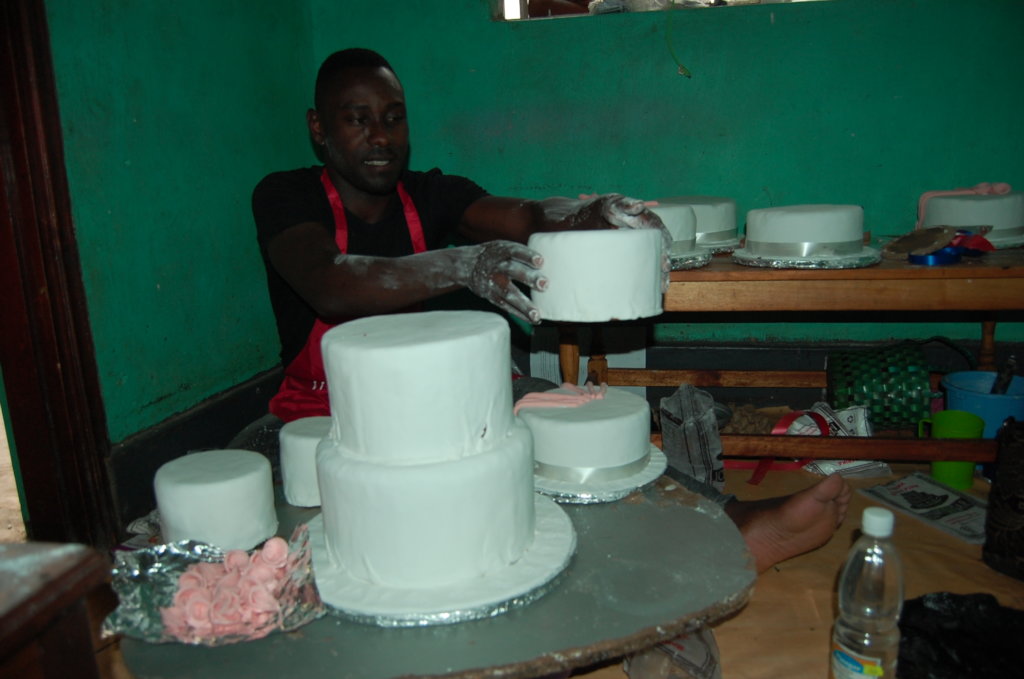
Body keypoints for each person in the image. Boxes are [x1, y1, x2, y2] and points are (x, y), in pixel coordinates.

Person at [237, 47, 851, 573]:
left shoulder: (429, 194)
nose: (380, 137)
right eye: (358, 119)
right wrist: (461, 265)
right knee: (263, 511)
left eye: (394, 119)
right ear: (319, 128)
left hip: (457, 397)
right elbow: (331, 284)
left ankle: (733, 521)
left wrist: (593, 211)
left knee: (582, 425)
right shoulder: (285, 195)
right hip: (328, 410)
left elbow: (528, 216)